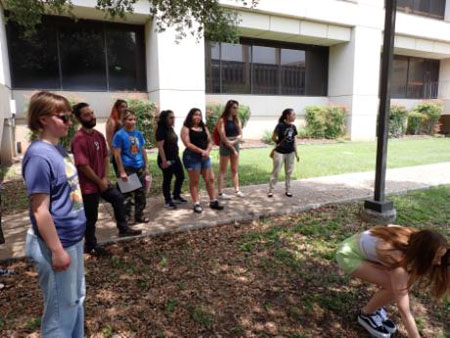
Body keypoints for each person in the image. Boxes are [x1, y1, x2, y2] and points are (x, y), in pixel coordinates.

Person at [23, 91, 86, 337]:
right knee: (61, 313)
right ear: (43, 119)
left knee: (76, 300)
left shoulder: (59, 150)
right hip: (57, 243)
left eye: (70, 117)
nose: (70, 123)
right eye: (64, 117)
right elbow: (40, 210)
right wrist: (57, 250)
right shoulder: (39, 155)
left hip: (73, 238)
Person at [335, 225, 449, 338]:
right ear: (424, 254)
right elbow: (404, 310)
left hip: (355, 243)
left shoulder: (416, 239)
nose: (439, 263)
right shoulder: (399, 262)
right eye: (436, 257)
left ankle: (373, 309)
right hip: (348, 255)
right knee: (395, 287)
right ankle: (366, 315)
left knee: (401, 285)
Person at [71, 103, 142, 255]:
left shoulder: (98, 135)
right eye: (87, 115)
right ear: (79, 118)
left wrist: (105, 177)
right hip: (88, 187)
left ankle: (123, 229)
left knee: (118, 199)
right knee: (91, 217)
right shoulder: (79, 139)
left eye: (92, 112)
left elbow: (105, 157)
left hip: (102, 182)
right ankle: (90, 246)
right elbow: (83, 166)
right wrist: (99, 181)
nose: (92, 116)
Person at [181, 108, 224, 213]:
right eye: (195, 114)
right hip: (192, 157)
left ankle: (213, 201)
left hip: (205, 156)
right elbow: (187, 143)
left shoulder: (203, 127)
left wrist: (207, 151)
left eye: (199, 115)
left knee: (210, 179)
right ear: (190, 116)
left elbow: (210, 140)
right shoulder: (186, 128)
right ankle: (196, 203)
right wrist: (201, 151)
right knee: (195, 181)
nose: (198, 117)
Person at [112, 109, 150, 224]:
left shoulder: (138, 134)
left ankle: (139, 215)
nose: (132, 122)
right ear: (123, 121)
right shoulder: (119, 135)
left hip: (140, 167)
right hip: (128, 168)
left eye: (134, 119)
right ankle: (127, 218)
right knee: (127, 196)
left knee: (141, 195)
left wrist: (146, 166)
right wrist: (121, 171)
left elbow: (143, 150)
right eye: (129, 119)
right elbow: (117, 154)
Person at [155, 110, 187, 209]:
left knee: (180, 176)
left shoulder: (170, 129)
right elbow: (160, 147)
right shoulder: (161, 130)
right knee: (167, 179)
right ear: (165, 119)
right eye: (171, 118)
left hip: (175, 158)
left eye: (174, 117)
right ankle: (168, 201)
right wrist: (164, 161)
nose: (173, 119)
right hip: (166, 159)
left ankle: (176, 196)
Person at [268, 108, 300, 198]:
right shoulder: (280, 125)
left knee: (289, 172)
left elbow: (294, 141)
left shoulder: (293, 127)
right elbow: (273, 137)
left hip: (290, 153)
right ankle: (271, 190)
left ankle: (288, 190)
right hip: (279, 152)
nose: (295, 116)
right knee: (276, 171)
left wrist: (296, 153)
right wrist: (278, 143)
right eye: (293, 114)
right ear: (287, 115)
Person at [217, 100, 245, 200]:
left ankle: (237, 190)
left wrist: (236, 142)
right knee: (222, 169)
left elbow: (241, 134)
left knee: (234, 169)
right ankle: (220, 193)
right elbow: (223, 137)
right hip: (225, 145)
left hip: (234, 143)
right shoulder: (222, 120)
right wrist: (233, 145)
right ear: (228, 108)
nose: (236, 110)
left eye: (237, 108)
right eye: (234, 108)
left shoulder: (237, 120)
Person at [106, 99, 128, 175]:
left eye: (126, 107)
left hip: (127, 153)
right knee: (122, 178)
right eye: (122, 107)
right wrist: (115, 155)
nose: (125, 109)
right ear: (117, 108)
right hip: (117, 153)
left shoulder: (125, 121)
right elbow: (109, 140)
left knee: (130, 178)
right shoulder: (112, 121)